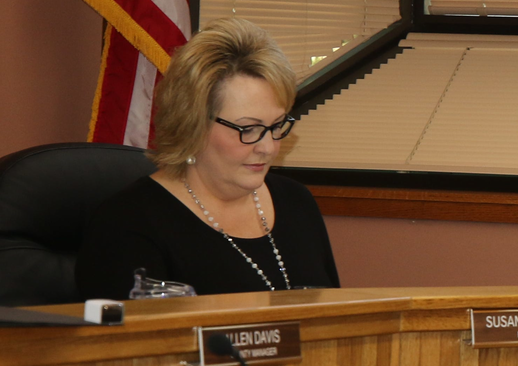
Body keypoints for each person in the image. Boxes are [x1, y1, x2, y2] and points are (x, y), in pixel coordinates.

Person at [77, 19, 340, 299]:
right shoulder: (128, 224)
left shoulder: (296, 202)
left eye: (276, 126)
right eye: (248, 129)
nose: (268, 147)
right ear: (193, 125)